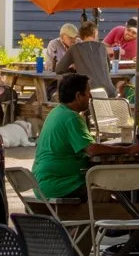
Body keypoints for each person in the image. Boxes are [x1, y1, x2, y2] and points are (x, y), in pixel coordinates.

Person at [33, 72, 95, 201]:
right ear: (78, 96)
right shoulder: (71, 117)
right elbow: (92, 150)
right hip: (60, 185)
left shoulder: (56, 112)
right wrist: (126, 150)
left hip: (42, 183)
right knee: (106, 188)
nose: (90, 96)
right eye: (88, 92)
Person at [65, 19, 117, 97]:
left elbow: (59, 69)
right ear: (94, 33)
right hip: (110, 93)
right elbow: (108, 68)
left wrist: (73, 67)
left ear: (81, 35)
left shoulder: (74, 48)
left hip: (89, 94)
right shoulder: (102, 47)